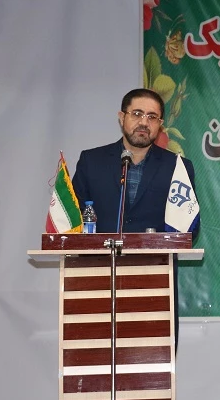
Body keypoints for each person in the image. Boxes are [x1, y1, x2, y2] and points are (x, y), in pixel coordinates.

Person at [72, 88, 199, 349]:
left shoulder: (178, 167)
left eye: (152, 117)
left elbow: (188, 229)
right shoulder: (91, 162)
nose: (144, 122)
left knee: (151, 362)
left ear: (160, 125)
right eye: (137, 114)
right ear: (122, 117)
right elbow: (74, 222)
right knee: (93, 357)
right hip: (97, 279)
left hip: (153, 283)